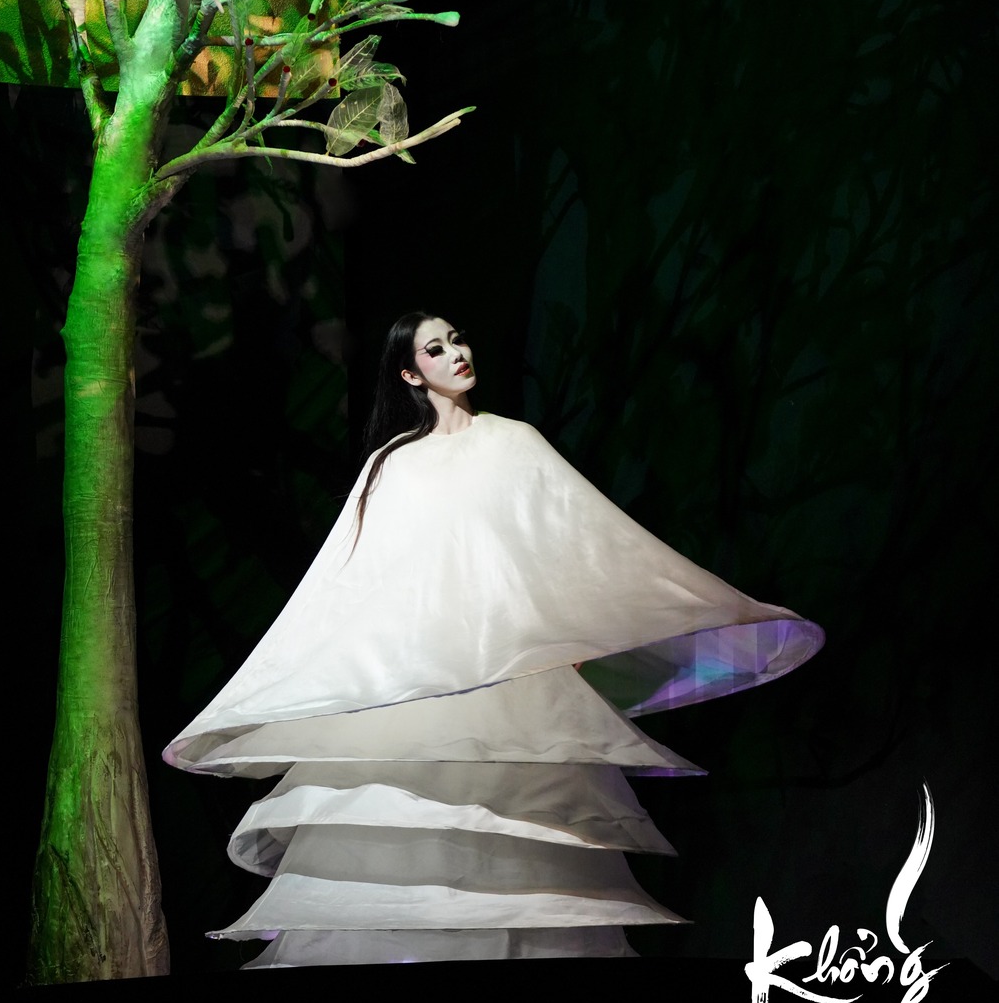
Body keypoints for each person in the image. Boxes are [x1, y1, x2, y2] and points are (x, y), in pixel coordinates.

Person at [164, 311, 823, 967]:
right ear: (409, 374)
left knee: (518, 839)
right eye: (434, 348)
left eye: (456, 339)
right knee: (397, 838)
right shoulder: (390, 465)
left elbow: (583, 541)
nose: (456, 353)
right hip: (411, 675)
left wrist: (623, 627)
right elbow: (345, 582)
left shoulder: (513, 442)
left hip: (511, 670)